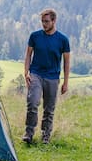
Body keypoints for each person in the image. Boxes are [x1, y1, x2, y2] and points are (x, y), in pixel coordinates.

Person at [22, 8, 70, 145]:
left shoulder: (63, 40)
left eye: (47, 21)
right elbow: (28, 56)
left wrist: (65, 83)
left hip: (53, 77)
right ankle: (29, 133)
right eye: (42, 21)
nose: (44, 24)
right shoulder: (35, 36)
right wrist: (26, 73)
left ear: (54, 21)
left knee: (49, 109)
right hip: (36, 74)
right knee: (32, 103)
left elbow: (67, 62)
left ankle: (45, 136)